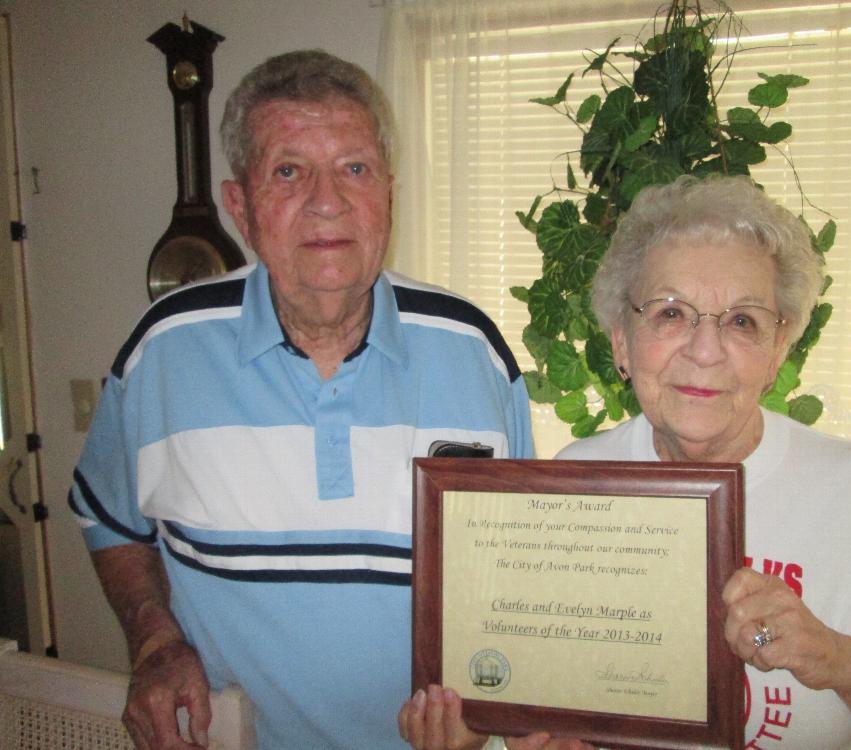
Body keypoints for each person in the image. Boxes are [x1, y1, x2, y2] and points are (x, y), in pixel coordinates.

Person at [69, 50, 537, 750]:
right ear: (240, 208)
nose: (328, 200)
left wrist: (507, 709)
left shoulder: (474, 352)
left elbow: (521, 565)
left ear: (388, 193)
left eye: (355, 168)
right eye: (289, 171)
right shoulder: (161, 351)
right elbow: (106, 517)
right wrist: (155, 642)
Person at [550, 175, 851, 749]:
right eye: (672, 313)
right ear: (623, 342)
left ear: (778, 352)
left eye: (742, 321)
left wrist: (836, 657)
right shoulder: (573, 480)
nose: (705, 351)